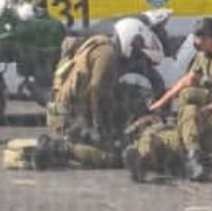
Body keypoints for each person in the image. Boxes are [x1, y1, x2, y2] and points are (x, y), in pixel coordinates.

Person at [32, 17, 166, 170]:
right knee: (114, 157)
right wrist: (99, 129)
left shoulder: (101, 44)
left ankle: (63, 143)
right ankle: (57, 148)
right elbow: (96, 90)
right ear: (131, 40)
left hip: (67, 110)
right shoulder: (107, 54)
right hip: (70, 117)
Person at [125, 15, 212, 183]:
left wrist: (210, 108)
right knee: (166, 128)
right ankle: (149, 154)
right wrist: (159, 104)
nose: (197, 43)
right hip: (201, 114)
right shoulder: (204, 55)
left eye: (201, 39)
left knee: (189, 114)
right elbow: (186, 81)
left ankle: (185, 157)